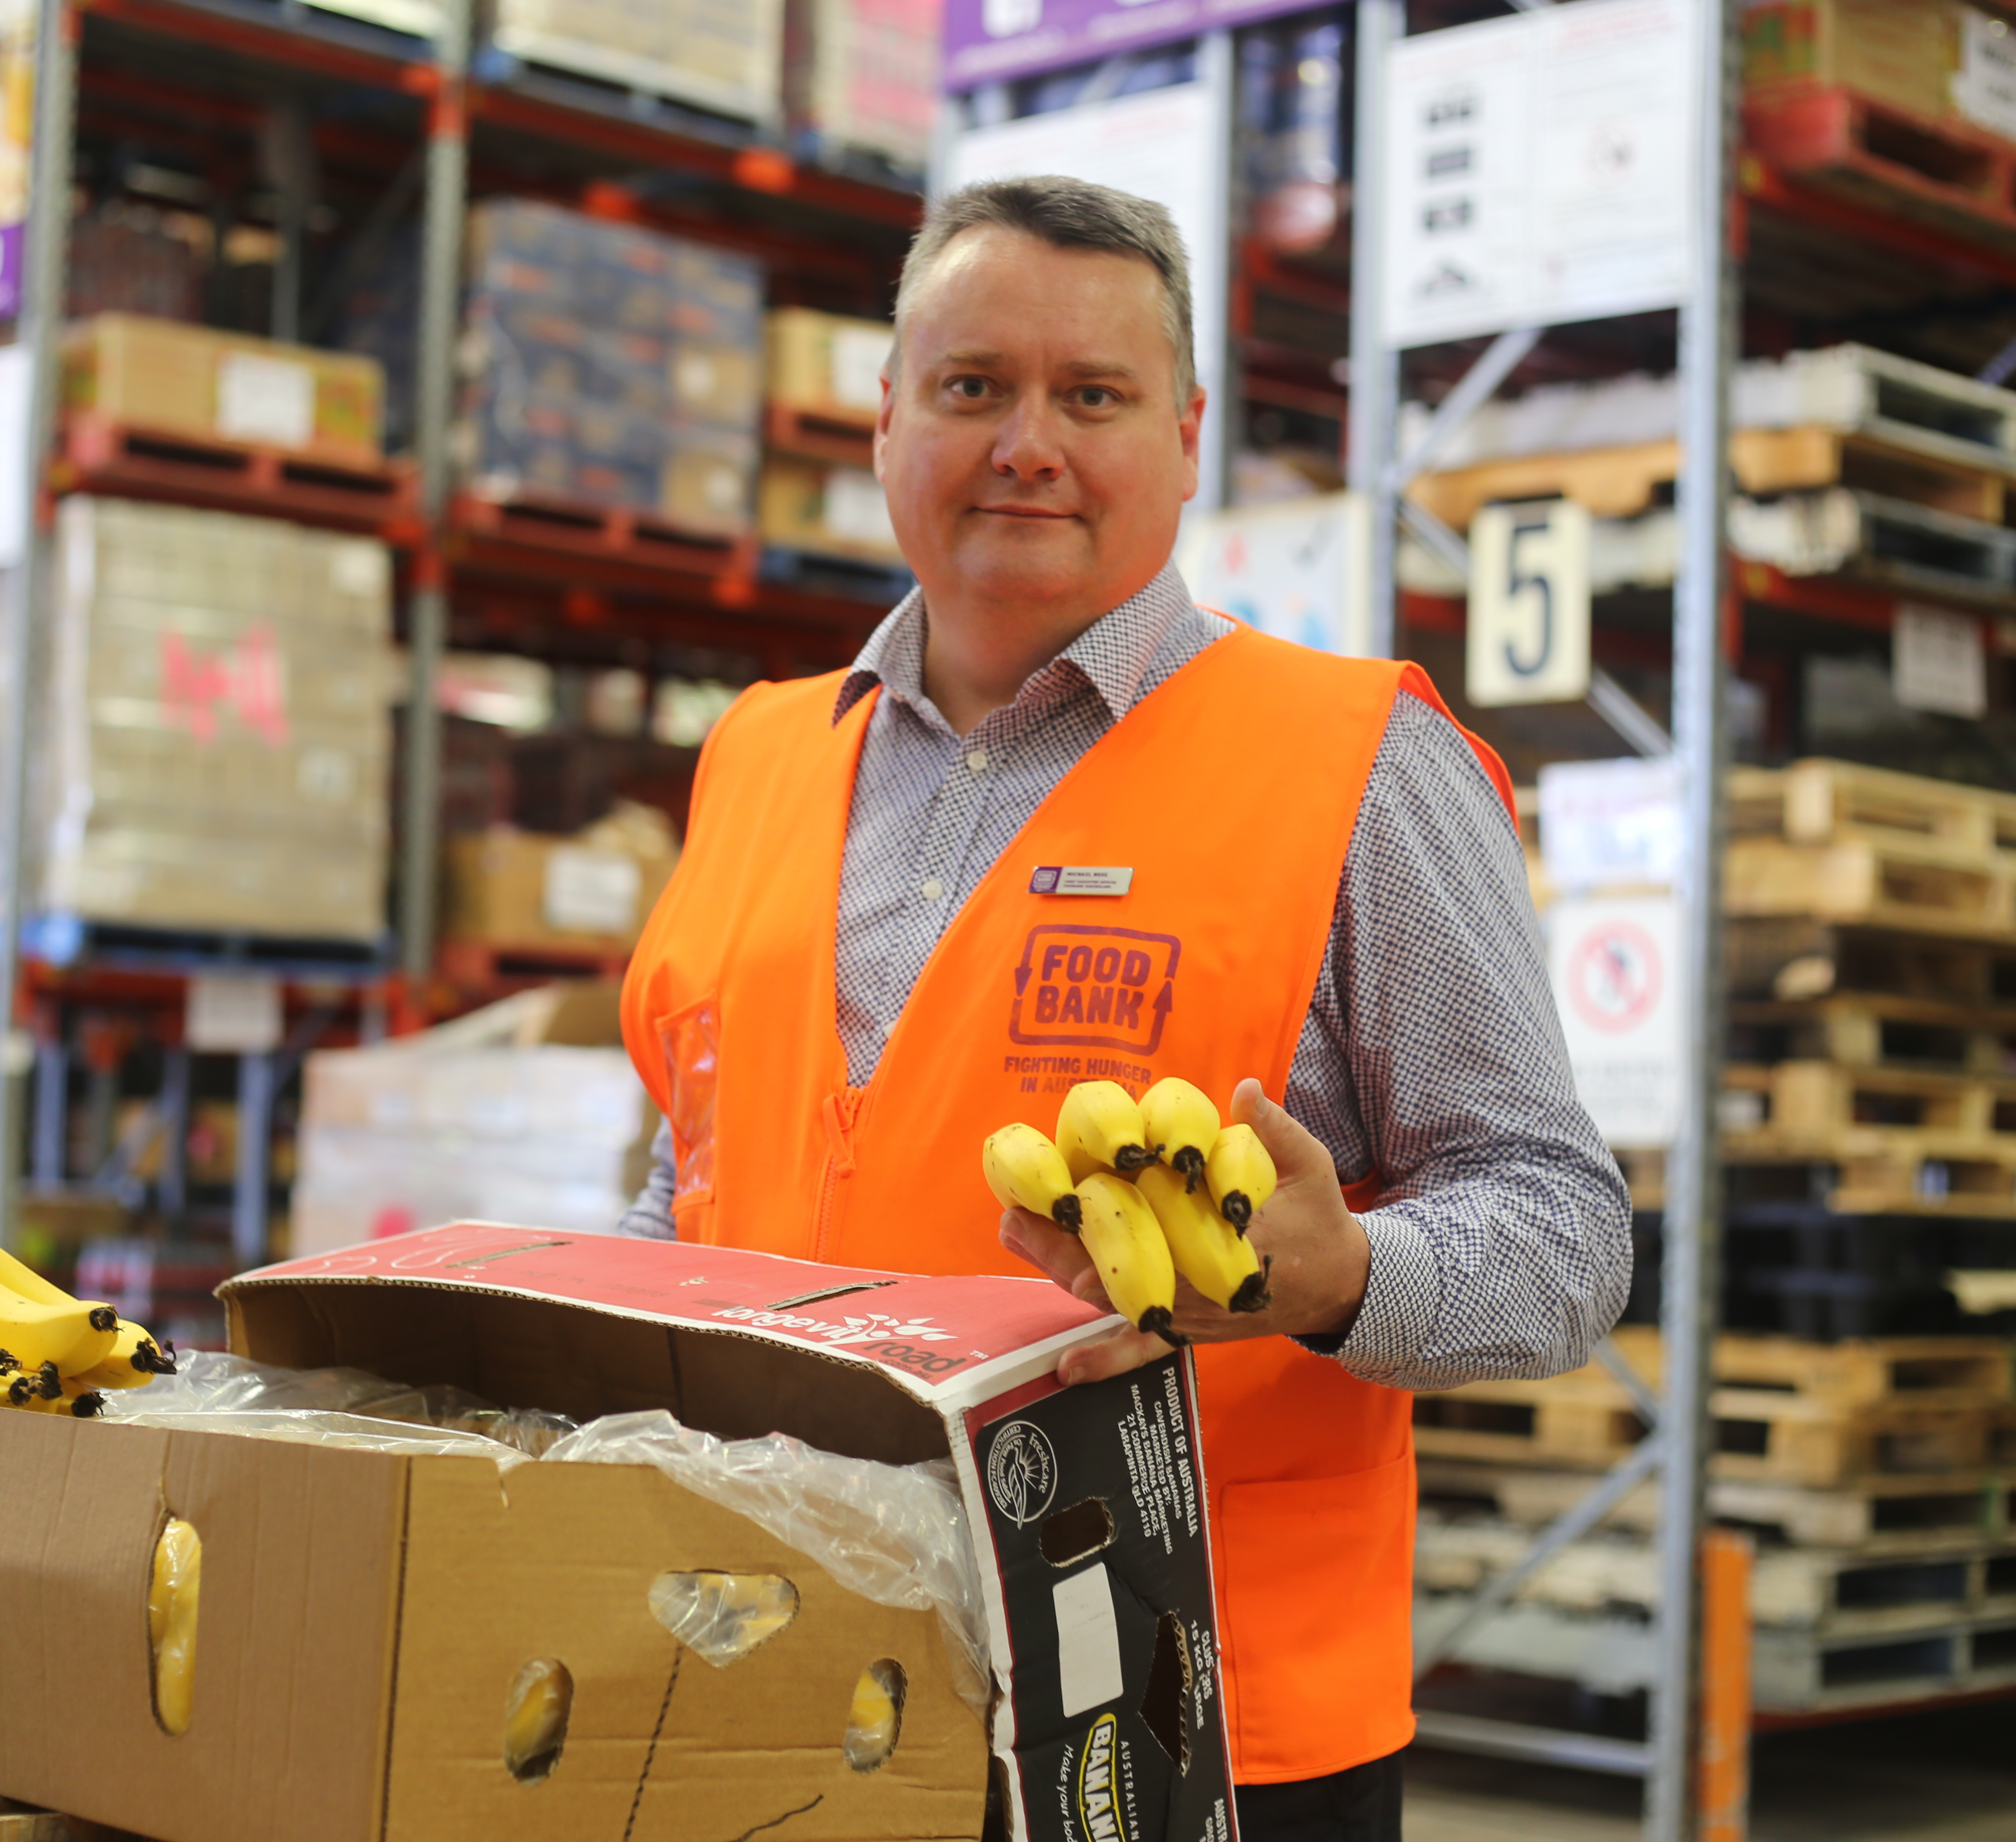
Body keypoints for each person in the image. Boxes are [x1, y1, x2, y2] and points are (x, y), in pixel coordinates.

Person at [617, 174, 1631, 1842]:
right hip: (785, 1708)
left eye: (1090, 396)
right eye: (971, 388)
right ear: (884, 423)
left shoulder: (1357, 765)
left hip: (1188, 1738)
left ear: (1184, 435)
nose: (1028, 442)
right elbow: (694, 1182)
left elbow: (1565, 1231)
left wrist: (1344, 1276)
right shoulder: (755, 756)